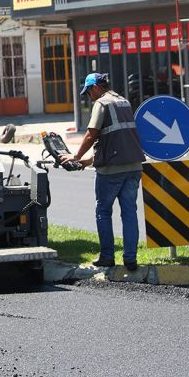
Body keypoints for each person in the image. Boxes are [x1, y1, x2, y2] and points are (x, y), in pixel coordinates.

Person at [61, 73, 146, 270]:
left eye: (89, 91)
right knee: (129, 213)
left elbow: (92, 135)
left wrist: (75, 156)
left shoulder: (102, 104)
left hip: (111, 172)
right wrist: (88, 161)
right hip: (133, 167)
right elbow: (116, 140)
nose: (89, 96)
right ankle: (130, 259)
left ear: (97, 87)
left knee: (103, 211)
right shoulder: (124, 102)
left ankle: (107, 256)